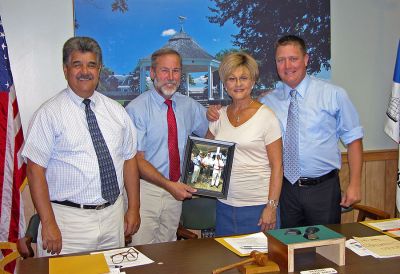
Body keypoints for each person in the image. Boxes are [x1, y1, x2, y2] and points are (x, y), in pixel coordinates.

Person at [208, 35, 364, 228]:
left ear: (306, 59)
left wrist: (355, 184)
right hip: (285, 191)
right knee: (287, 251)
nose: (287, 65)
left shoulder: (333, 94)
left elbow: (354, 139)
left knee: (325, 250)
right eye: (281, 60)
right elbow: (241, 109)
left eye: (293, 58)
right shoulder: (267, 101)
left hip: (322, 188)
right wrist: (212, 113)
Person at [22, 37, 140, 256]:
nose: (85, 71)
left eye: (91, 65)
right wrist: (47, 223)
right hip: (67, 222)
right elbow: (34, 170)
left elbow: (129, 158)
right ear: (66, 69)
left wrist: (133, 208)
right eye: (77, 64)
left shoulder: (116, 112)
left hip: (113, 216)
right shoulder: (49, 114)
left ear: (99, 70)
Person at [125, 48, 208, 244]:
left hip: (176, 191)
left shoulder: (189, 106)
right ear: (152, 73)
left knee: (168, 251)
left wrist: (214, 116)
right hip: (145, 191)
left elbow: (210, 137)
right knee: (142, 254)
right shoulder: (136, 109)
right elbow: (137, 159)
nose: (170, 77)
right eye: (164, 70)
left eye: (176, 71)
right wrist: (169, 186)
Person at [206, 52, 283, 236]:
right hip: (225, 206)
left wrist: (271, 207)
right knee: (228, 262)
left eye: (243, 78)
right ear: (225, 84)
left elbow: (277, 166)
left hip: (258, 208)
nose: (238, 84)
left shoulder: (267, 117)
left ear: (253, 81)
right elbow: (205, 155)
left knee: (264, 264)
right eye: (232, 79)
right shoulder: (219, 116)